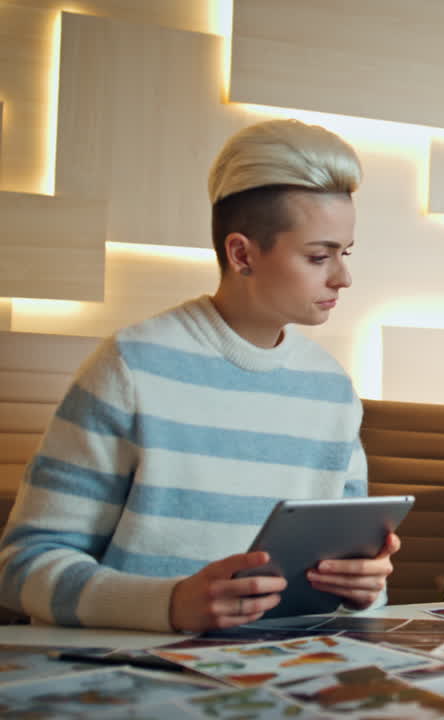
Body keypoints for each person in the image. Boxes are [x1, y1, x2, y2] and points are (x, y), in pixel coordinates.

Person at [0, 119, 399, 632]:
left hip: (275, 674)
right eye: (319, 256)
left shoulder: (333, 388)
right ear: (241, 254)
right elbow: (21, 567)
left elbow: (352, 575)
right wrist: (169, 605)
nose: (343, 277)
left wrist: (366, 585)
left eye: (344, 254)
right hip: (126, 677)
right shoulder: (131, 365)